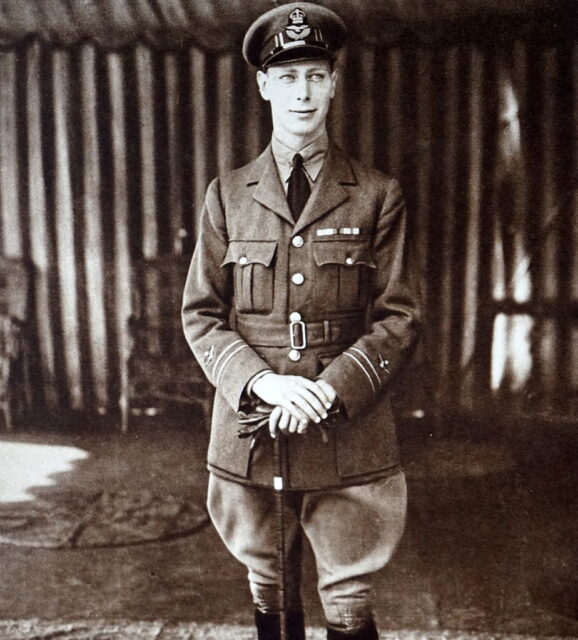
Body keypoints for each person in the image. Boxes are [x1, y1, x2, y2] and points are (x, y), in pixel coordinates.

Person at [182, 3, 422, 638]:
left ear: (335, 82)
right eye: (287, 78)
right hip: (251, 429)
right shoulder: (227, 195)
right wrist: (262, 384)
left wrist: (327, 391)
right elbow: (202, 314)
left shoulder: (375, 194)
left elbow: (399, 317)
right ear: (263, 86)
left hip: (346, 432)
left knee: (347, 598)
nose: (302, 93)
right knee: (267, 586)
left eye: (315, 75)